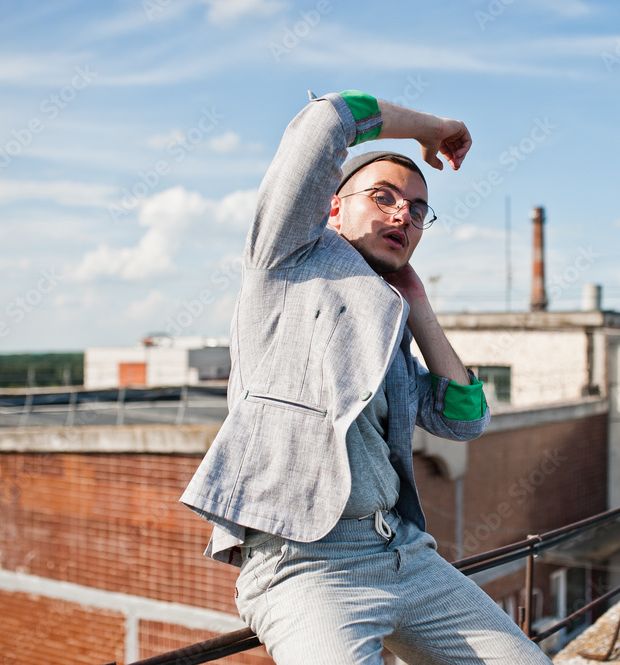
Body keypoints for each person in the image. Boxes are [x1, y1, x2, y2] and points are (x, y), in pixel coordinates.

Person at [180, 90, 552, 664]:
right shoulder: (284, 262)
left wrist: (418, 304)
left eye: (418, 209)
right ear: (332, 207)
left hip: (404, 553)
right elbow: (327, 118)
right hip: (304, 567)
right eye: (383, 197)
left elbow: (464, 417)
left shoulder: (389, 323)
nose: (403, 213)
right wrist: (432, 129)